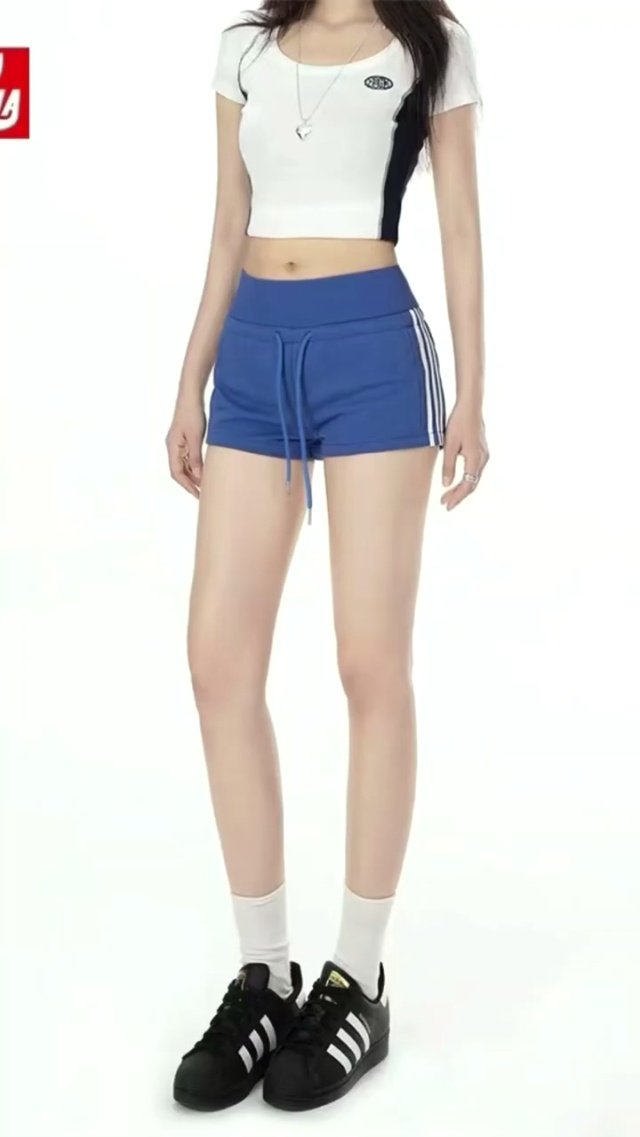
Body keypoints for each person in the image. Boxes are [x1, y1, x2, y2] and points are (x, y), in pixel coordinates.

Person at [168, 0, 488, 1114]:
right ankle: (266, 974)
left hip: (372, 354)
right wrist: (190, 380)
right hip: (253, 353)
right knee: (217, 662)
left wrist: (474, 394)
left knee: (368, 663)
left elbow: (459, 224)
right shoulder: (244, 48)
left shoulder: (430, 44)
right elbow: (227, 224)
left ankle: (358, 976)